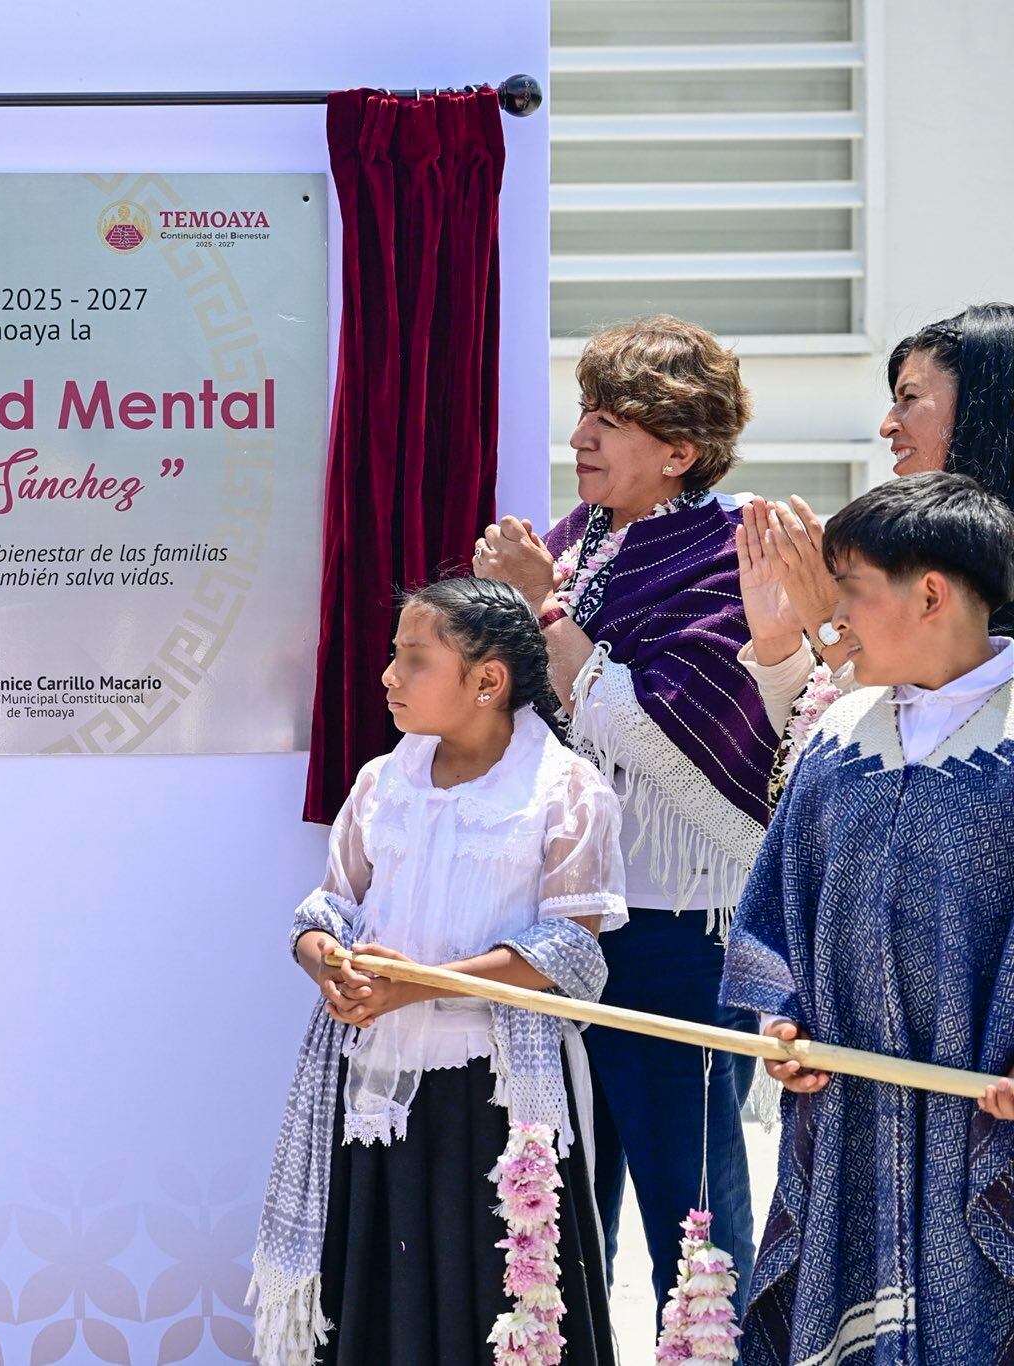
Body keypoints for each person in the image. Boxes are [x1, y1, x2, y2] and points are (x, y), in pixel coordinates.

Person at [474, 315, 776, 1315]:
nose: (579, 438)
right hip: (566, 918)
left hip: (672, 925)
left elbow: (663, 730)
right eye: (580, 413)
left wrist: (542, 610)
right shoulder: (578, 539)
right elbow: (528, 706)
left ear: (678, 450)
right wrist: (499, 606)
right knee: (559, 1205)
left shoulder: (728, 550)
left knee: (691, 1210)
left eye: (607, 419)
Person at [249, 577, 623, 1366]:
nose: (388, 676)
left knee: (498, 1299)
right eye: (393, 655)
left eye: (413, 659)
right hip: (375, 1082)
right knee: (383, 1297)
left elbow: (568, 950)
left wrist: (415, 984)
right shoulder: (384, 782)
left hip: (491, 1094)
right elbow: (327, 908)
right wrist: (331, 967)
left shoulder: (565, 791)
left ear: (488, 682)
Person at [721, 472, 1014, 1363]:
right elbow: (778, 900)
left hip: (986, 1117)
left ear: (930, 594)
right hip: (847, 1110)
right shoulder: (839, 732)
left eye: (847, 592)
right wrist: (782, 1016)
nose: (832, 621)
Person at [738, 304, 1014, 780]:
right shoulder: (901, 545)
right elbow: (830, 757)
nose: (888, 424)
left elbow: (929, 758)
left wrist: (828, 619)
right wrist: (778, 641)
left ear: (981, 405)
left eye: (908, 397)